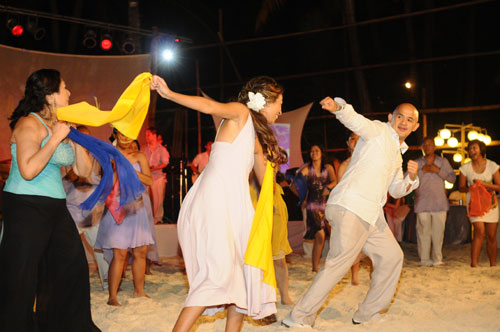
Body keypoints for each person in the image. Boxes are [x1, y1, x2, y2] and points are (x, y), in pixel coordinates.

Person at [151, 75, 287, 332]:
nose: (281, 110)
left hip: (238, 208)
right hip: (215, 201)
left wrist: (272, 174)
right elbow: (209, 107)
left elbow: (265, 179)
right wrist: (169, 94)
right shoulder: (240, 112)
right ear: (265, 101)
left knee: (242, 282)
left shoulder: (255, 139)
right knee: (214, 278)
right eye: (279, 103)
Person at [283, 98, 420, 328]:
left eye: (410, 119)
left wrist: (411, 179)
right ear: (390, 118)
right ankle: (298, 317)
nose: (404, 122)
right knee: (338, 264)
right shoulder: (378, 131)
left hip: (370, 214)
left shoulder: (397, 154)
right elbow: (357, 122)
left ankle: (367, 314)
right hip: (350, 206)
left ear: (415, 126)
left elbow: (395, 191)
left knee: (392, 257)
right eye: (400, 116)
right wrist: (339, 108)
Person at [0, 69, 100, 331]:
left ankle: (64, 325)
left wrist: (75, 136)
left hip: (55, 206)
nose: (69, 93)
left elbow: (85, 171)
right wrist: (55, 139)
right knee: (22, 275)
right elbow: (28, 170)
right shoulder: (28, 124)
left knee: (72, 266)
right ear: (50, 96)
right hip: (25, 206)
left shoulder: (60, 126)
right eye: (64, 88)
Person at [94, 129, 155, 306]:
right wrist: (117, 168)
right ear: (115, 134)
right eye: (122, 134)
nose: (126, 138)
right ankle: (112, 296)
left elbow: (149, 181)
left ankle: (139, 291)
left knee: (140, 251)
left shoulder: (139, 155)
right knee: (119, 253)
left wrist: (132, 172)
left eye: (129, 134)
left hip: (137, 208)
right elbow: (106, 184)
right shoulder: (110, 155)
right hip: (118, 207)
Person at [414, 137, 456, 266]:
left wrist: (438, 171)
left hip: (439, 203)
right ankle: (424, 259)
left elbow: (452, 179)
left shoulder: (442, 162)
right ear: (422, 148)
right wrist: (422, 171)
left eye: (430, 145)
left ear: (434, 147)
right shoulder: (417, 163)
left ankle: (437, 259)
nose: (427, 147)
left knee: (438, 233)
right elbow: (407, 179)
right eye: (424, 145)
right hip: (422, 203)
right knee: (423, 233)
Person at [458, 139, 500, 267]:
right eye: (470, 149)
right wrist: (472, 187)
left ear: (481, 149)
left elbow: (499, 186)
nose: (472, 151)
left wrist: (484, 184)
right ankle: (474, 264)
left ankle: (493, 264)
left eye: (474, 148)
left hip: (491, 203)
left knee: (492, 235)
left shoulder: (492, 165)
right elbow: (461, 187)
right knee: (479, 231)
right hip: (474, 203)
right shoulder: (465, 168)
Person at [300, 144, 337, 272]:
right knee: (320, 235)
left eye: (316, 150)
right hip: (312, 206)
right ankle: (315, 268)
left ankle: (327, 266)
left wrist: (328, 188)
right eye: (311, 151)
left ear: (322, 153)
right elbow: (296, 182)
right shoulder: (306, 169)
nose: (313, 153)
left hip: (326, 205)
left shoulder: (328, 167)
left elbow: (335, 181)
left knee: (333, 235)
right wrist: (302, 197)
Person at [142, 127, 169, 223]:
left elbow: (165, 163)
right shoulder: (144, 149)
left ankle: (157, 219)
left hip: (157, 177)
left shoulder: (161, 149)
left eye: (148, 135)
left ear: (154, 136)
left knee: (158, 199)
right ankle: (147, 218)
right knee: (145, 198)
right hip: (146, 177)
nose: (146, 137)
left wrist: (154, 168)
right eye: (146, 135)